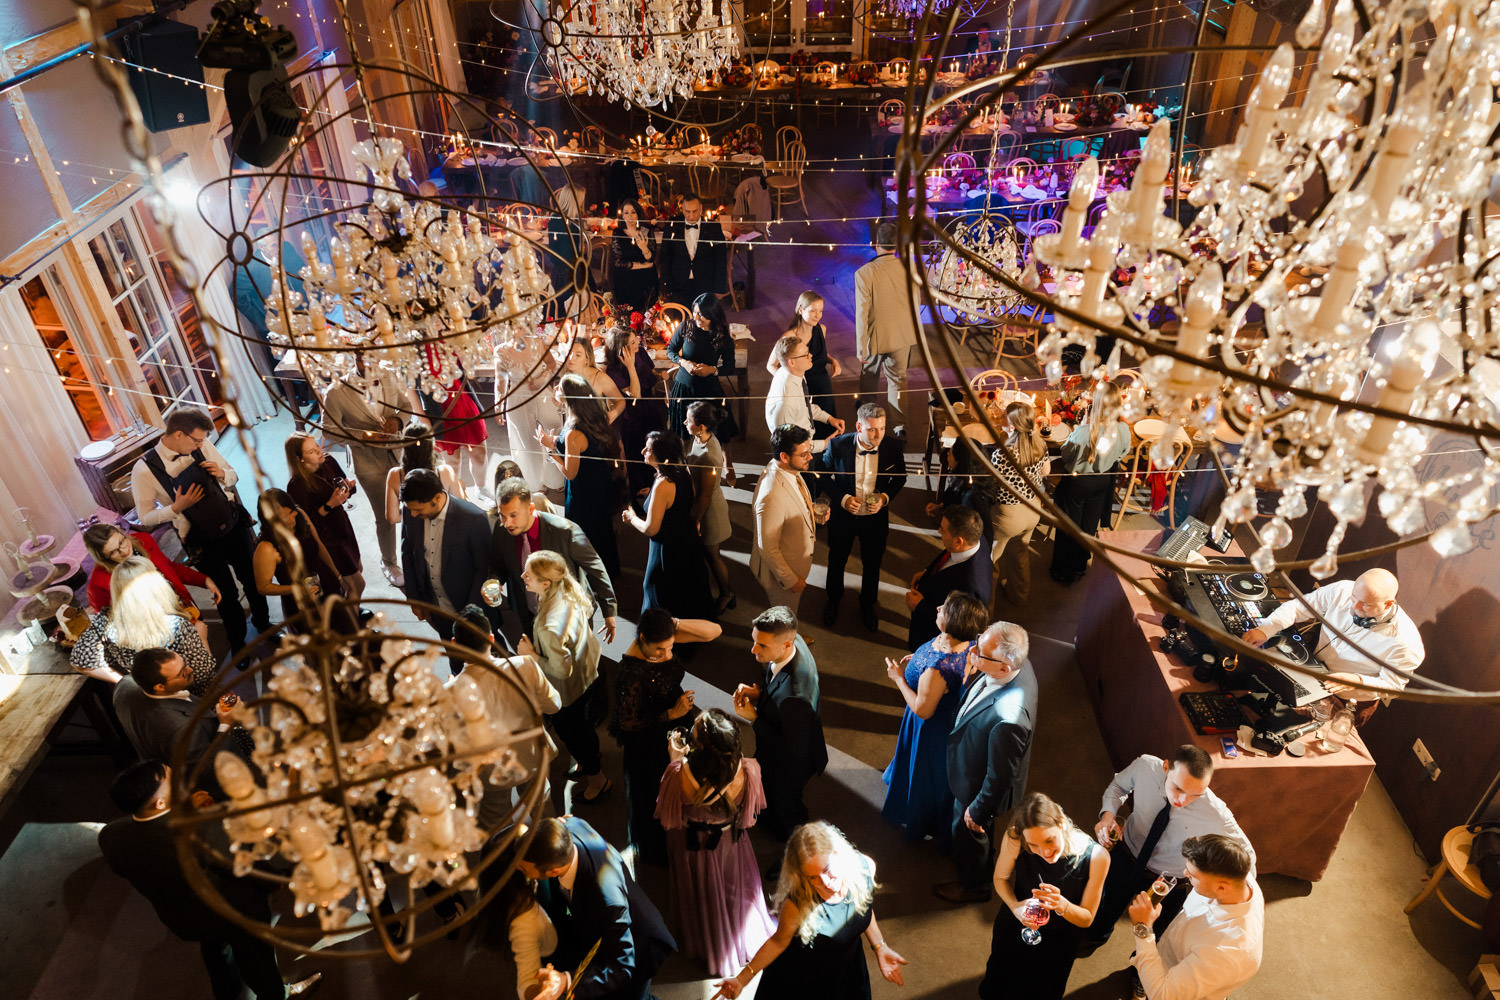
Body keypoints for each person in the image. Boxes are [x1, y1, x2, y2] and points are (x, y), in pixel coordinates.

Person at [97, 761, 322, 1000]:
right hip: (236, 914)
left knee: (216, 952)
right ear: (160, 803)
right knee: (257, 960)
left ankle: (227, 994)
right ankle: (277, 996)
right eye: (173, 781)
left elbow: (131, 864)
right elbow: (268, 865)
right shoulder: (207, 830)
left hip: (185, 918)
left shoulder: (111, 835)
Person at [711, 821, 906, 999]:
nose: (825, 883)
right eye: (812, 878)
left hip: (847, 969)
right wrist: (742, 979)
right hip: (805, 976)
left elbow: (862, 910)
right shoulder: (797, 904)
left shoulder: (865, 867)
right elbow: (778, 942)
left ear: (839, 854)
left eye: (827, 869)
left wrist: (880, 946)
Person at [129, 406, 269, 651]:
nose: (200, 445)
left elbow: (233, 475)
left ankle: (265, 625)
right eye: (196, 440)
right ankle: (238, 643)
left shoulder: (201, 445)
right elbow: (144, 516)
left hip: (233, 524)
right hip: (200, 539)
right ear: (179, 435)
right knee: (225, 594)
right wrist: (176, 507)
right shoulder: (144, 470)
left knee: (252, 579)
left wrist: (223, 473)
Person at [1086, 745, 1254, 948]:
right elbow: (1118, 787)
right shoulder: (1145, 766)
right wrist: (1108, 816)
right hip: (1126, 853)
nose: (1182, 800)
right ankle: (1095, 937)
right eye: (1178, 788)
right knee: (1104, 907)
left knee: (1156, 937)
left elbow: (1247, 855)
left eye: (1195, 795)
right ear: (1166, 767)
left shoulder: (1216, 813)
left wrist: (1233, 898)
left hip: (1166, 882)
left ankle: (1139, 973)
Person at [656, 708, 776, 977]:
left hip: (691, 845)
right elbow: (747, 818)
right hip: (728, 842)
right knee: (734, 888)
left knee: (699, 892)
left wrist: (674, 759)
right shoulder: (748, 769)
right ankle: (737, 933)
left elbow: (668, 817)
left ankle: (707, 941)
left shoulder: (677, 774)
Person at [516, 815, 677, 1000]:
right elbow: (567, 819)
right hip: (608, 930)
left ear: (554, 871)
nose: (520, 870)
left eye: (523, 868)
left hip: (639, 948)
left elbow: (622, 966)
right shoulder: (569, 827)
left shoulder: (606, 900)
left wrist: (565, 980)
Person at [935, 621, 1039, 905]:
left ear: (1005, 668)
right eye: (980, 640)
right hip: (972, 760)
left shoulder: (1009, 719)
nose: (972, 649)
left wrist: (979, 811)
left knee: (971, 832)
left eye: (980, 651)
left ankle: (975, 886)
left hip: (977, 785)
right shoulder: (1019, 664)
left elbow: (1000, 775)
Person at [613, 609, 719, 864]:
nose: (667, 655)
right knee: (657, 791)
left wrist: (675, 623)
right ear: (641, 638)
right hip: (650, 741)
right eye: (659, 649)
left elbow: (714, 631)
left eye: (671, 647)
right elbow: (628, 724)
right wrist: (671, 713)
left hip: (677, 720)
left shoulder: (661, 639)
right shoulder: (630, 675)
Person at [980, 792, 1109, 1000]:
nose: (1044, 852)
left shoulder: (1097, 857)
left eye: (1049, 841)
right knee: (1001, 979)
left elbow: (1087, 918)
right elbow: (1000, 879)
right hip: (1015, 926)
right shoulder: (1016, 835)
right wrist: (1015, 907)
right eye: (1033, 846)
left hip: (1058, 943)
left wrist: (1062, 905)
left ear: (1061, 824)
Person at [882, 592, 988, 843]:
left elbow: (922, 709)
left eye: (945, 608)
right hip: (944, 714)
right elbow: (932, 654)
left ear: (953, 624)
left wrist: (898, 677)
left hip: (929, 729)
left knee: (924, 773)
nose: (938, 606)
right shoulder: (965, 643)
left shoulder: (939, 668)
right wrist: (917, 660)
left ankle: (919, 818)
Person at [449, 605, 557, 831]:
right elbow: (554, 705)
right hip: (531, 758)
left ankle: (505, 859)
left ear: (453, 645)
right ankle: (551, 850)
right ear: (490, 639)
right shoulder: (524, 666)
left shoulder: (449, 691)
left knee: (496, 828)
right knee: (543, 814)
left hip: (490, 774)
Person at [1241, 567, 1425, 696]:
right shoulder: (1343, 589)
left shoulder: (1406, 643)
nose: (1355, 607)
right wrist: (1266, 628)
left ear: (1389, 604)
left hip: (1346, 697)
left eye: (1366, 605)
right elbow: (1298, 608)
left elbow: (1392, 686)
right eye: (1354, 598)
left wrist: (1357, 681)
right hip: (1312, 667)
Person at [517, 549, 610, 803]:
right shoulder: (568, 592)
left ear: (546, 583)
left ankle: (597, 779)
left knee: (575, 734)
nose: (523, 576)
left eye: (529, 574)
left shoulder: (548, 624)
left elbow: (561, 669)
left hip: (569, 689)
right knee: (584, 728)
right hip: (588, 672)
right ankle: (587, 764)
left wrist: (531, 655)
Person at [1129, 835, 1264, 1000]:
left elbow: (1162, 994)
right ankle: (1143, 979)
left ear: (1221, 887)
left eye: (1193, 875)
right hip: (1169, 954)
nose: (1185, 874)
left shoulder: (1226, 952)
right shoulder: (1242, 879)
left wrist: (1142, 927)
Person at [732, 606, 827, 840]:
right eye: (754, 640)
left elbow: (791, 748)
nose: (753, 649)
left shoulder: (796, 696)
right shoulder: (793, 644)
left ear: (786, 644)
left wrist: (754, 717)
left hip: (791, 764)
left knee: (787, 808)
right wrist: (760, 694)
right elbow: (778, 686)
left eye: (762, 645)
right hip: (789, 731)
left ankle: (792, 847)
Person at [491, 476, 618, 645]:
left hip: (569, 617)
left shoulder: (565, 531)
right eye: (502, 516)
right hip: (530, 616)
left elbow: (595, 567)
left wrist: (609, 611)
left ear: (530, 509)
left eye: (513, 515)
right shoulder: (502, 532)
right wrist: (493, 581)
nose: (507, 523)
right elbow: (498, 565)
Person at [814, 402, 905, 630]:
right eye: (872, 429)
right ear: (858, 426)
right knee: (837, 560)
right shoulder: (837, 445)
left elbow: (900, 477)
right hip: (843, 517)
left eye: (882, 428)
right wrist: (843, 499)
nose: (878, 435)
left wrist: (884, 498)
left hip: (875, 519)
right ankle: (833, 600)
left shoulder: (892, 447)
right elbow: (822, 475)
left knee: (872, 564)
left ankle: (867, 605)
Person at [71, 556, 218, 694]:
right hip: (196, 699)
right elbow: (202, 675)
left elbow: (80, 659)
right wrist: (202, 637)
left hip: (156, 703)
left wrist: (128, 682)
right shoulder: (175, 626)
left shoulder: (106, 620)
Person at [320, 355, 405, 585]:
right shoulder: (336, 392)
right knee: (385, 516)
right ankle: (389, 562)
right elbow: (329, 431)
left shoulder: (389, 376)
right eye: (365, 361)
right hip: (369, 463)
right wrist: (364, 437)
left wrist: (397, 422)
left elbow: (405, 407)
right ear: (355, 360)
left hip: (400, 454)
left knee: (410, 505)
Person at [398, 468, 494, 659]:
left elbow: (484, 570)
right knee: (455, 660)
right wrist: (415, 597)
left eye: (419, 509)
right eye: (411, 510)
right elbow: (407, 552)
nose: (414, 515)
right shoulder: (410, 513)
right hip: (438, 609)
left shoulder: (473, 519)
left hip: (470, 611)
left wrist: (470, 617)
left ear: (437, 498)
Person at [538, 373, 623, 584]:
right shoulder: (592, 417)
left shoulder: (574, 432)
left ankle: (594, 579)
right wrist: (558, 441)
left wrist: (550, 448)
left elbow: (570, 473)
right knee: (602, 530)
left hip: (585, 491)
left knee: (587, 533)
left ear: (569, 398)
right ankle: (608, 571)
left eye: (559, 389)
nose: (555, 390)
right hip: (600, 481)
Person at [622, 430, 712, 618]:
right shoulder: (682, 471)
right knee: (686, 588)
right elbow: (685, 499)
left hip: (668, 548)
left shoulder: (663, 484)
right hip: (687, 539)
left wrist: (632, 518)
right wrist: (654, 499)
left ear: (662, 455)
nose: (642, 452)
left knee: (657, 588)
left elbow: (651, 528)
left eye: (648, 449)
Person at [1049, 379, 1127, 585]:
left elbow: (1065, 455)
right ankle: (1081, 565)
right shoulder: (1124, 430)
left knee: (1069, 527)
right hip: (1102, 482)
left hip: (1077, 483)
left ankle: (1063, 571)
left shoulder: (1083, 432)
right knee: (1089, 524)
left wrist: (1081, 427)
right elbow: (1122, 454)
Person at [750, 424, 829, 615]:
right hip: (781, 577)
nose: (810, 457)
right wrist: (790, 580)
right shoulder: (770, 494)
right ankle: (791, 642)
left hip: (795, 562)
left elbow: (791, 502)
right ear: (784, 456)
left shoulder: (786, 469)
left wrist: (810, 512)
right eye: (803, 454)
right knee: (784, 618)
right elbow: (767, 546)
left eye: (809, 451)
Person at [112, 648, 236, 767]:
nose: (190, 669)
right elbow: (206, 767)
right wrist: (225, 724)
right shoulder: (181, 727)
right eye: (182, 673)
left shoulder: (125, 684)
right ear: (160, 687)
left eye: (185, 663)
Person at [854, 222, 919, 436]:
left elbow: (862, 313)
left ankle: (867, 419)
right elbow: (916, 304)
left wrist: (860, 346)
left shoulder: (864, 273)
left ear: (876, 244)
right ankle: (900, 427)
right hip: (902, 336)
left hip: (874, 338)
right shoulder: (910, 270)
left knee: (869, 379)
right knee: (898, 381)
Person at [284, 431, 364, 600]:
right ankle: (351, 622)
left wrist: (349, 487)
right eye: (311, 451)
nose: (319, 451)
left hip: (342, 526)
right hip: (328, 540)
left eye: (317, 446)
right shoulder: (296, 486)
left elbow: (344, 486)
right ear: (299, 458)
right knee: (356, 585)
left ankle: (350, 614)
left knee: (357, 570)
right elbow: (306, 523)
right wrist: (329, 505)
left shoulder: (328, 461)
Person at [252, 488, 346, 626]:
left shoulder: (300, 514)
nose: (290, 520)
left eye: (291, 513)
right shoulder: (266, 547)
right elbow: (263, 587)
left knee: (342, 627)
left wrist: (337, 575)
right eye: (281, 518)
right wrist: (297, 589)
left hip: (326, 585)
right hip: (301, 604)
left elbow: (319, 546)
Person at [988, 400, 1051, 607]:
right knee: (1020, 553)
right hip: (1032, 510)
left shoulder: (1002, 454)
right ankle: (1019, 595)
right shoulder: (1040, 445)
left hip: (1008, 515)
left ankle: (986, 608)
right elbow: (1046, 472)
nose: (1001, 418)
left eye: (1004, 416)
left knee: (991, 560)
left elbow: (992, 485)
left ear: (1013, 425)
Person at [906, 505, 992, 652]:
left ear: (959, 541)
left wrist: (920, 606)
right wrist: (927, 572)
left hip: (931, 635)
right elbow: (948, 555)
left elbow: (959, 625)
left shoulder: (971, 585)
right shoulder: (977, 539)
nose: (939, 532)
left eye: (943, 530)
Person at [82, 522, 218, 615]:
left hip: (185, 608)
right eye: (113, 552)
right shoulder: (98, 585)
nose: (123, 551)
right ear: (104, 559)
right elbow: (112, 623)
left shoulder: (143, 540)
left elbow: (169, 568)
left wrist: (204, 580)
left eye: (122, 541)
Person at [602, 321, 667, 496]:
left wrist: (659, 375)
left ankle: (660, 480)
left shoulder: (640, 352)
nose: (637, 343)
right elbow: (635, 395)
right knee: (637, 448)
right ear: (621, 349)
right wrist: (630, 367)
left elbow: (650, 372)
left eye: (635, 339)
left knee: (657, 444)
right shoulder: (613, 371)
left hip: (650, 405)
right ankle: (641, 487)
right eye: (632, 342)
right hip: (632, 413)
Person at [496, 328, 565, 492]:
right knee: (527, 441)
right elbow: (500, 382)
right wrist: (498, 406)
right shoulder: (502, 350)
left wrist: (543, 378)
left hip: (542, 393)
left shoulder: (539, 343)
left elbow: (551, 364)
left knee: (552, 430)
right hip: (518, 399)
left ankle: (557, 478)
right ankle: (535, 483)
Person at [666, 292, 739, 442]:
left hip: (709, 388)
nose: (696, 318)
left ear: (712, 314)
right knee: (683, 435)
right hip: (683, 388)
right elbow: (670, 350)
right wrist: (683, 362)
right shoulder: (686, 327)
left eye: (701, 314)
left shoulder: (723, 336)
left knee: (720, 434)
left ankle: (726, 464)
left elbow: (730, 367)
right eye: (694, 312)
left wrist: (712, 370)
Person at [684, 401, 735, 615]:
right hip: (703, 504)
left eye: (689, 420)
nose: (685, 422)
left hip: (709, 512)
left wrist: (694, 520)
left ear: (702, 426)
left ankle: (727, 594)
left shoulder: (709, 456)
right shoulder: (701, 438)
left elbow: (705, 496)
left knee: (712, 556)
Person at [771, 290, 843, 431]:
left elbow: (820, 353)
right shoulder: (789, 336)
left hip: (822, 384)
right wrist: (790, 381)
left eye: (821, 311)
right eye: (813, 311)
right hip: (802, 387)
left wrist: (833, 360)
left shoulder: (821, 329)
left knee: (827, 423)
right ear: (800, 310)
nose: (818, 316)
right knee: (804, 428)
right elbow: (771, 365)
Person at [765, 334, 844, 451]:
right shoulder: (785, 404)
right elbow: (791, 446)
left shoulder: (794, 374)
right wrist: (825, 444)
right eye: (805, 355)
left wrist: (829, 418)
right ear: (792, 362)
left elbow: (803, 406)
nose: (811, 355)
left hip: (806, 437)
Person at [385, 418, 464, 527]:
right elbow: (460, 508)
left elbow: (392, 518)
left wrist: (415, 514)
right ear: (431, 446)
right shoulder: (445, 472)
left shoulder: (394, 475)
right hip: (441, 529)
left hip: (414, 533)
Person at [659, 192, 726, 305]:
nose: (691, 215)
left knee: (704, 320)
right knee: (681, 320)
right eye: (687, 211)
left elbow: (721, 260)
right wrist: (667, 286)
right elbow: (665, 257)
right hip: (679, 284)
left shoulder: (714, 227)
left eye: (694, 211)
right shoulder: (672, 225)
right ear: (682, 209)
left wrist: (719, 289)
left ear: (701, 209)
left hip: (705, 283)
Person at [560, 335, 627, 424]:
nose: (571, 358)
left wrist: (611, 415)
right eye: (569, 353)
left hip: (595, 430)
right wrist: (559, 400)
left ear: (587, 359)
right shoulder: (566, 376)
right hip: (573, 428)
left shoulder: (600, 378)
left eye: (578, 355)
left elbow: (621, 401)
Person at [610, 199, 659, 310]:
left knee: (648, 316)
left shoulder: (646, 231)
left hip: (646, 280)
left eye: (633, 212)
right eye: (626, 213)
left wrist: (644, 248)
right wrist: (643, 265)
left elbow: (651, 259)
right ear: (622, 215)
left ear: (638, 214)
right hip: (625, 280)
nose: (630, 216)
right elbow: (618, 262)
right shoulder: (618, 233)